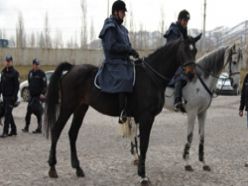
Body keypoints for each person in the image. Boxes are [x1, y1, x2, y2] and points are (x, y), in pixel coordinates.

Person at [97, 0, 139, 124]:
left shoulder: (123, 29)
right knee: (124, 78)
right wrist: (128, 49)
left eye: (124, 12)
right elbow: (111, 46)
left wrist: (132, 52)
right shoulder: (110, 27)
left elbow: (127, 45)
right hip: (113, 63)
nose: (124, 15)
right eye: (122, 12)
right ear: (115, 12)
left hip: (124, 61)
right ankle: (122, 112)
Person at [164, 9, 192, 111]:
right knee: (179, 75)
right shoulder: (173, 31)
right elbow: (172, 49)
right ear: (179, 20)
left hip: (181, 61)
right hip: (172, 61)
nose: (186, 23)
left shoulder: (183, 32)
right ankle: (177, 100)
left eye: (187, 21)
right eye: (184, 20)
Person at [22, 59, 47, 134]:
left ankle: (39, 128)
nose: (37, 66)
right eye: (36, 64)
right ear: (33, 65)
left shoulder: (42, 74)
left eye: (38, 64)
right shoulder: (30, 73)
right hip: (32, 96)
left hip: (38, 96)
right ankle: (27, 127)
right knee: (28, 111)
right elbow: (30, 82)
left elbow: (45, 85)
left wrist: (43, 93)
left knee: (38, 112)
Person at [0, 55, 19, 137]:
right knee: (8, 113)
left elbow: (16, 87)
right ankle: (14, 129)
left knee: (7, 114)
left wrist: (14, 97)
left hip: (11, 97)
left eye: (9, 61)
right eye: (6, 61)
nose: (7, 62)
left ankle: (5, 132)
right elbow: (1, 85)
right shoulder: (3, 72)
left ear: (11, 62)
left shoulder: (15, 73)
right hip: (4, 97)